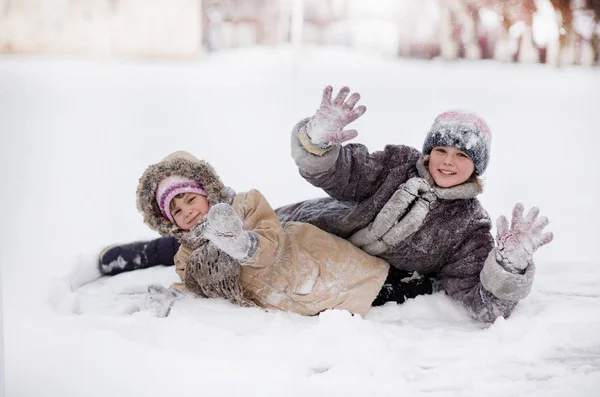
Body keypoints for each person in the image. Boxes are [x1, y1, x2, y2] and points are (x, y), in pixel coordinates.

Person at [102, 86, 553, 323]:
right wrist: (318, 143)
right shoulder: (397, 165)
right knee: (217, 233)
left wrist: (509, 268)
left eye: (462, 156)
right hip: (305, 231)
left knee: (234, 253)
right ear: (429, 150)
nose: (448, 162)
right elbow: (343, 174)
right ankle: (154, 250)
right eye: (442, 151)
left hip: (345, 272)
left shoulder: (468, 228)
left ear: (476, 167)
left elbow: (484, 304)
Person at [135, 150, 433, 317]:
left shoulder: (245, 204)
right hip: (288, 296)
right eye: (176, 210)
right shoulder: (188, 255)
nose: (187, 210)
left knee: (377, 285)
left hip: (308, 260)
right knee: (344, 305)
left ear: (205, 192)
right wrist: (172, 297)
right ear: (169, 221)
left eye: (190, 199)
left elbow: (269, 244)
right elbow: (194, 283)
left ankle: (418, 281)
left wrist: (240, 243)